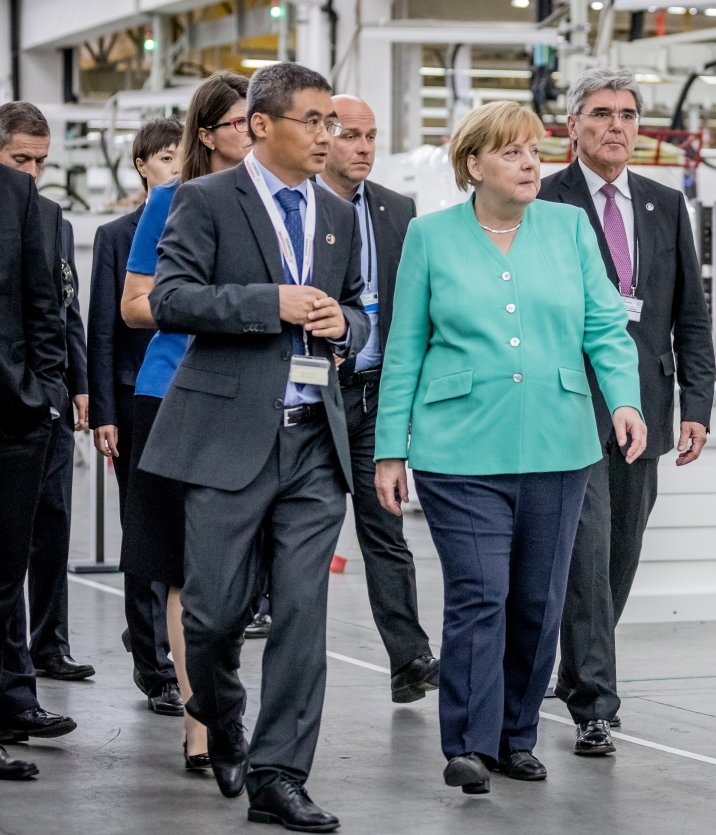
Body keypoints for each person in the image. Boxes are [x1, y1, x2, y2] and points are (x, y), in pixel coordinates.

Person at [374, 101, 645, 794]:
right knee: (480, 594)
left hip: (560, 444)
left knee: (537, 600)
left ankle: (514, 735)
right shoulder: (430, 238)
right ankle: (467, 741)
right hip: (457, 451)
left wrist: (624, 399)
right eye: (513, 152)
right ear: (474, 165)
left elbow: (606, 328)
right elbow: (404, 349)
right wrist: (389, 449)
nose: (531, 163)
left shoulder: (569, 228)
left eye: (534, 151)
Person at [142, 62, 366, 832]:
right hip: (227, 437)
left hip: (314, 444)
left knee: (303, 616)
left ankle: (278, 776)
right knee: (209, 616)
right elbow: (168, 298)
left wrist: (350, 327)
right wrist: (269, 304)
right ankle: (221, 712)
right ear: (263, 125)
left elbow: (365, 305)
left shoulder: (339, 212)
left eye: (331, 122)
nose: (327, 136)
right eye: (314, 120)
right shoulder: (202, 201)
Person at [539, 67, 715, 755]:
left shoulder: (665, 205)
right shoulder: (545, 199)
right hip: (571, 404)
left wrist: (696, 404)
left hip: (645, 402)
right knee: (585, 553)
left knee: (621, 553)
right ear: (574, 125)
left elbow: (690, 320)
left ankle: (577, 664)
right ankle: (594, 703)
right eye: (603, 113)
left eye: (629, 114)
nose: (617, 125)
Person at [119, 71, 251, 766]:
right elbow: (135, 304)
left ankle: (225, 709)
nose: (252, 131)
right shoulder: (171, 200)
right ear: (207, 133)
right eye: (237, 122)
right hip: (174, 396)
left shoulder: (279, 202)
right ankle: (202, 726)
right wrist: (218, 306)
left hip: (254, 398)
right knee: (183, 572)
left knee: (237, 577)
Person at [316, 94, 438, 702]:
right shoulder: (302, 205)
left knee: (385, 525)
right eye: (350, 135)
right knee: (303, 529)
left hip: (375, 393)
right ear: (323, 138)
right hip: (315, 396)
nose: (364, 147)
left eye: (371, 136)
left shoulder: (399, 210)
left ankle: (410, 659)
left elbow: (410, 306)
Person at [88, 116, 184, 716]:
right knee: (145, 535)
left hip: (189, 392)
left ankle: (169, 646)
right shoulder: (117, 235)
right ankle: (153, 666)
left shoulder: (204, 220)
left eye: (181, 155)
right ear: (143, 165)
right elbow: (104, 326)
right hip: (130, 395)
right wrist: (103, 410)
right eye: (164, 157)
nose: (174, 165)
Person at [0, 102, 95, 683]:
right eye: (19, 159)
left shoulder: (53, 217)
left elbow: (64, 308)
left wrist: (71, 388)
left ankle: (48, 645)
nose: (32, 172)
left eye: (40, 161)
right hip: (13, 394)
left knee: (52, 522)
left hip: (44, 397)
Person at [0, 158, 66, 781]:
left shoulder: (16, 192)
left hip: (13, 416)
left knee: (3, 574)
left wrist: (44, 393)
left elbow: (41, 301)